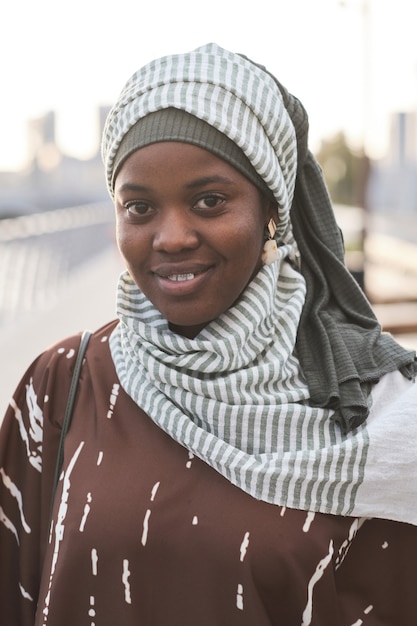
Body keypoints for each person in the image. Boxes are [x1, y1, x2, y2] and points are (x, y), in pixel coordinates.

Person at [1, 42, 416, 626]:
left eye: (209, 201)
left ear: (272, 208)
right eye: (139, 208)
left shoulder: (377, 414)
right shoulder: (63, 384)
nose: (171, 237)